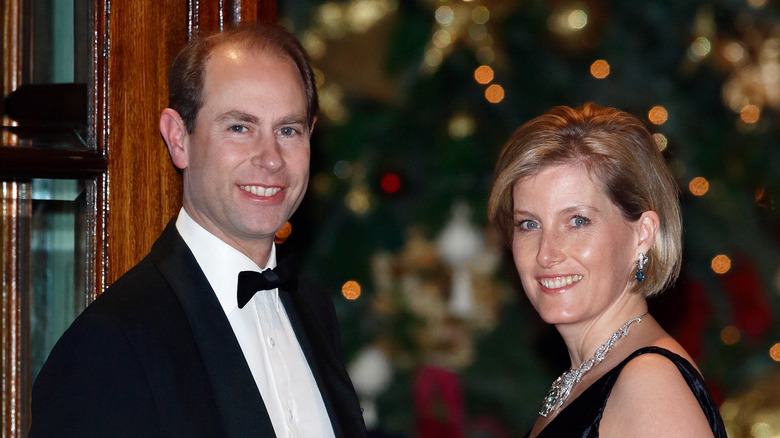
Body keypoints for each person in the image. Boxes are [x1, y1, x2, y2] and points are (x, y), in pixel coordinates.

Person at [29, 23, 366, 437]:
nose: (271, 158)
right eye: (239, 128)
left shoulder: (314, 309)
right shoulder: (109, 346)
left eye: (288, 130)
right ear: (178, 139)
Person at [488, 102, 726, 437]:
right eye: (529, 224)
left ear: (642, 234)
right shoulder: (589, 376)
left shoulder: (648, 383)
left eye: (578, 221)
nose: (546, 254)